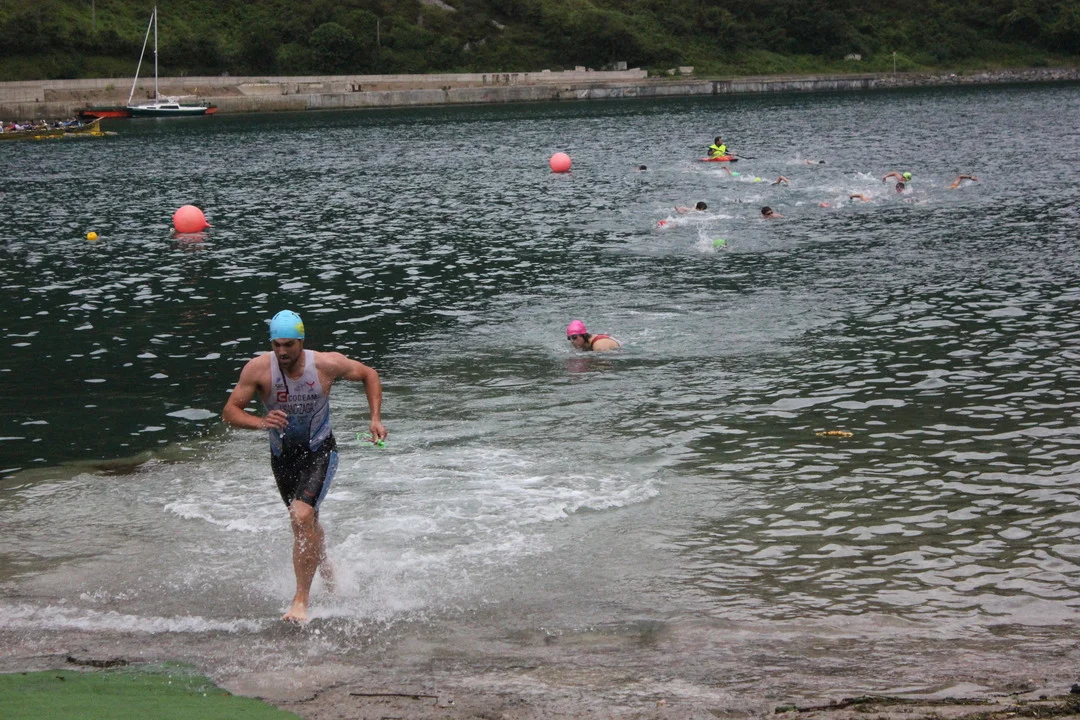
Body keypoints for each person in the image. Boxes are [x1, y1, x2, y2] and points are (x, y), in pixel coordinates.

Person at [222, 309, 387, 623]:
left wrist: (375, 419)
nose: (282, 352)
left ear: (301, 341)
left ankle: (300, 601)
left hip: (319, 450)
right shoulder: (258, 369)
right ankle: (327, 571)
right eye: (276, 345)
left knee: (301, 515)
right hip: (282, 456)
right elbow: (230, 411)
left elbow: (369, 374)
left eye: (289, 345)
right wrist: (261, 422)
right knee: (305, 522)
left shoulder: (325, 364)